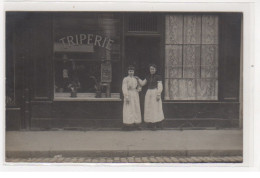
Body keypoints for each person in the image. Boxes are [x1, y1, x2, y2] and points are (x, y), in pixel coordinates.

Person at [137, 64, 165, 130]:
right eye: (151, 69)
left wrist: (158, 94)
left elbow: (160, 86)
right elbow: (142, 83)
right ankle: (150, 123)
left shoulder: (158, 77)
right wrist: (138, 79)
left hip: (155, 92)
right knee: (149, 107)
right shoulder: (148, 76)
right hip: (149, 93)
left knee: (155, 108)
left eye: (153, 69)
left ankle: (155, 123)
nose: (152, 70)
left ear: (155, 69)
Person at [122, 65, 142, 130]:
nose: (131, 72)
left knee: (136, 108)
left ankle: (136, 124)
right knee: (129, 109)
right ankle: (128, 124)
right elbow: (124, 88)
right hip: (129, 94)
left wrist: (138, 89)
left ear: (134, 72)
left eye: (132, 71)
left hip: (135, 94)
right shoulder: (125, 79)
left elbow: (139, 86)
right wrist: (126, 96)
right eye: (130, 71)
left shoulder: (135, 78)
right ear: (128, 72)